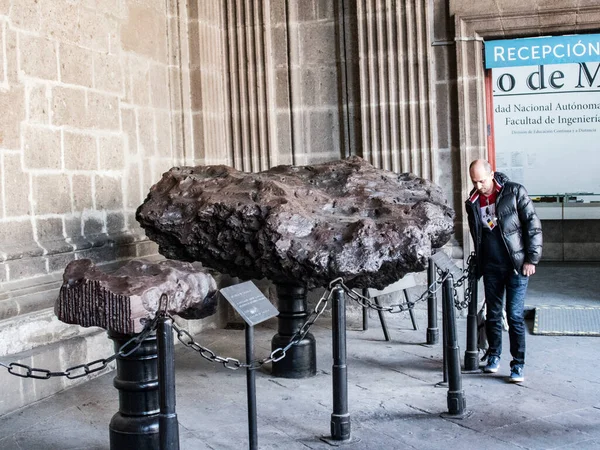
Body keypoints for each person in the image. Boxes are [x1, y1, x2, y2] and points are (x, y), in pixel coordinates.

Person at [465, 160, 542, 383]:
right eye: (474, 181)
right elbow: (477, 234)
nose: (478, 186)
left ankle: (518, 364)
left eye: (482, 180)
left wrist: (531, 259)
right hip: (491, 266)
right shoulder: (473, 201)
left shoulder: (515, 191)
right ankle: (494, 356)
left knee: (515, 315)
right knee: (493, 314)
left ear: (492, 174)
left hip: (516, 266)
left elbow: (532, 225)